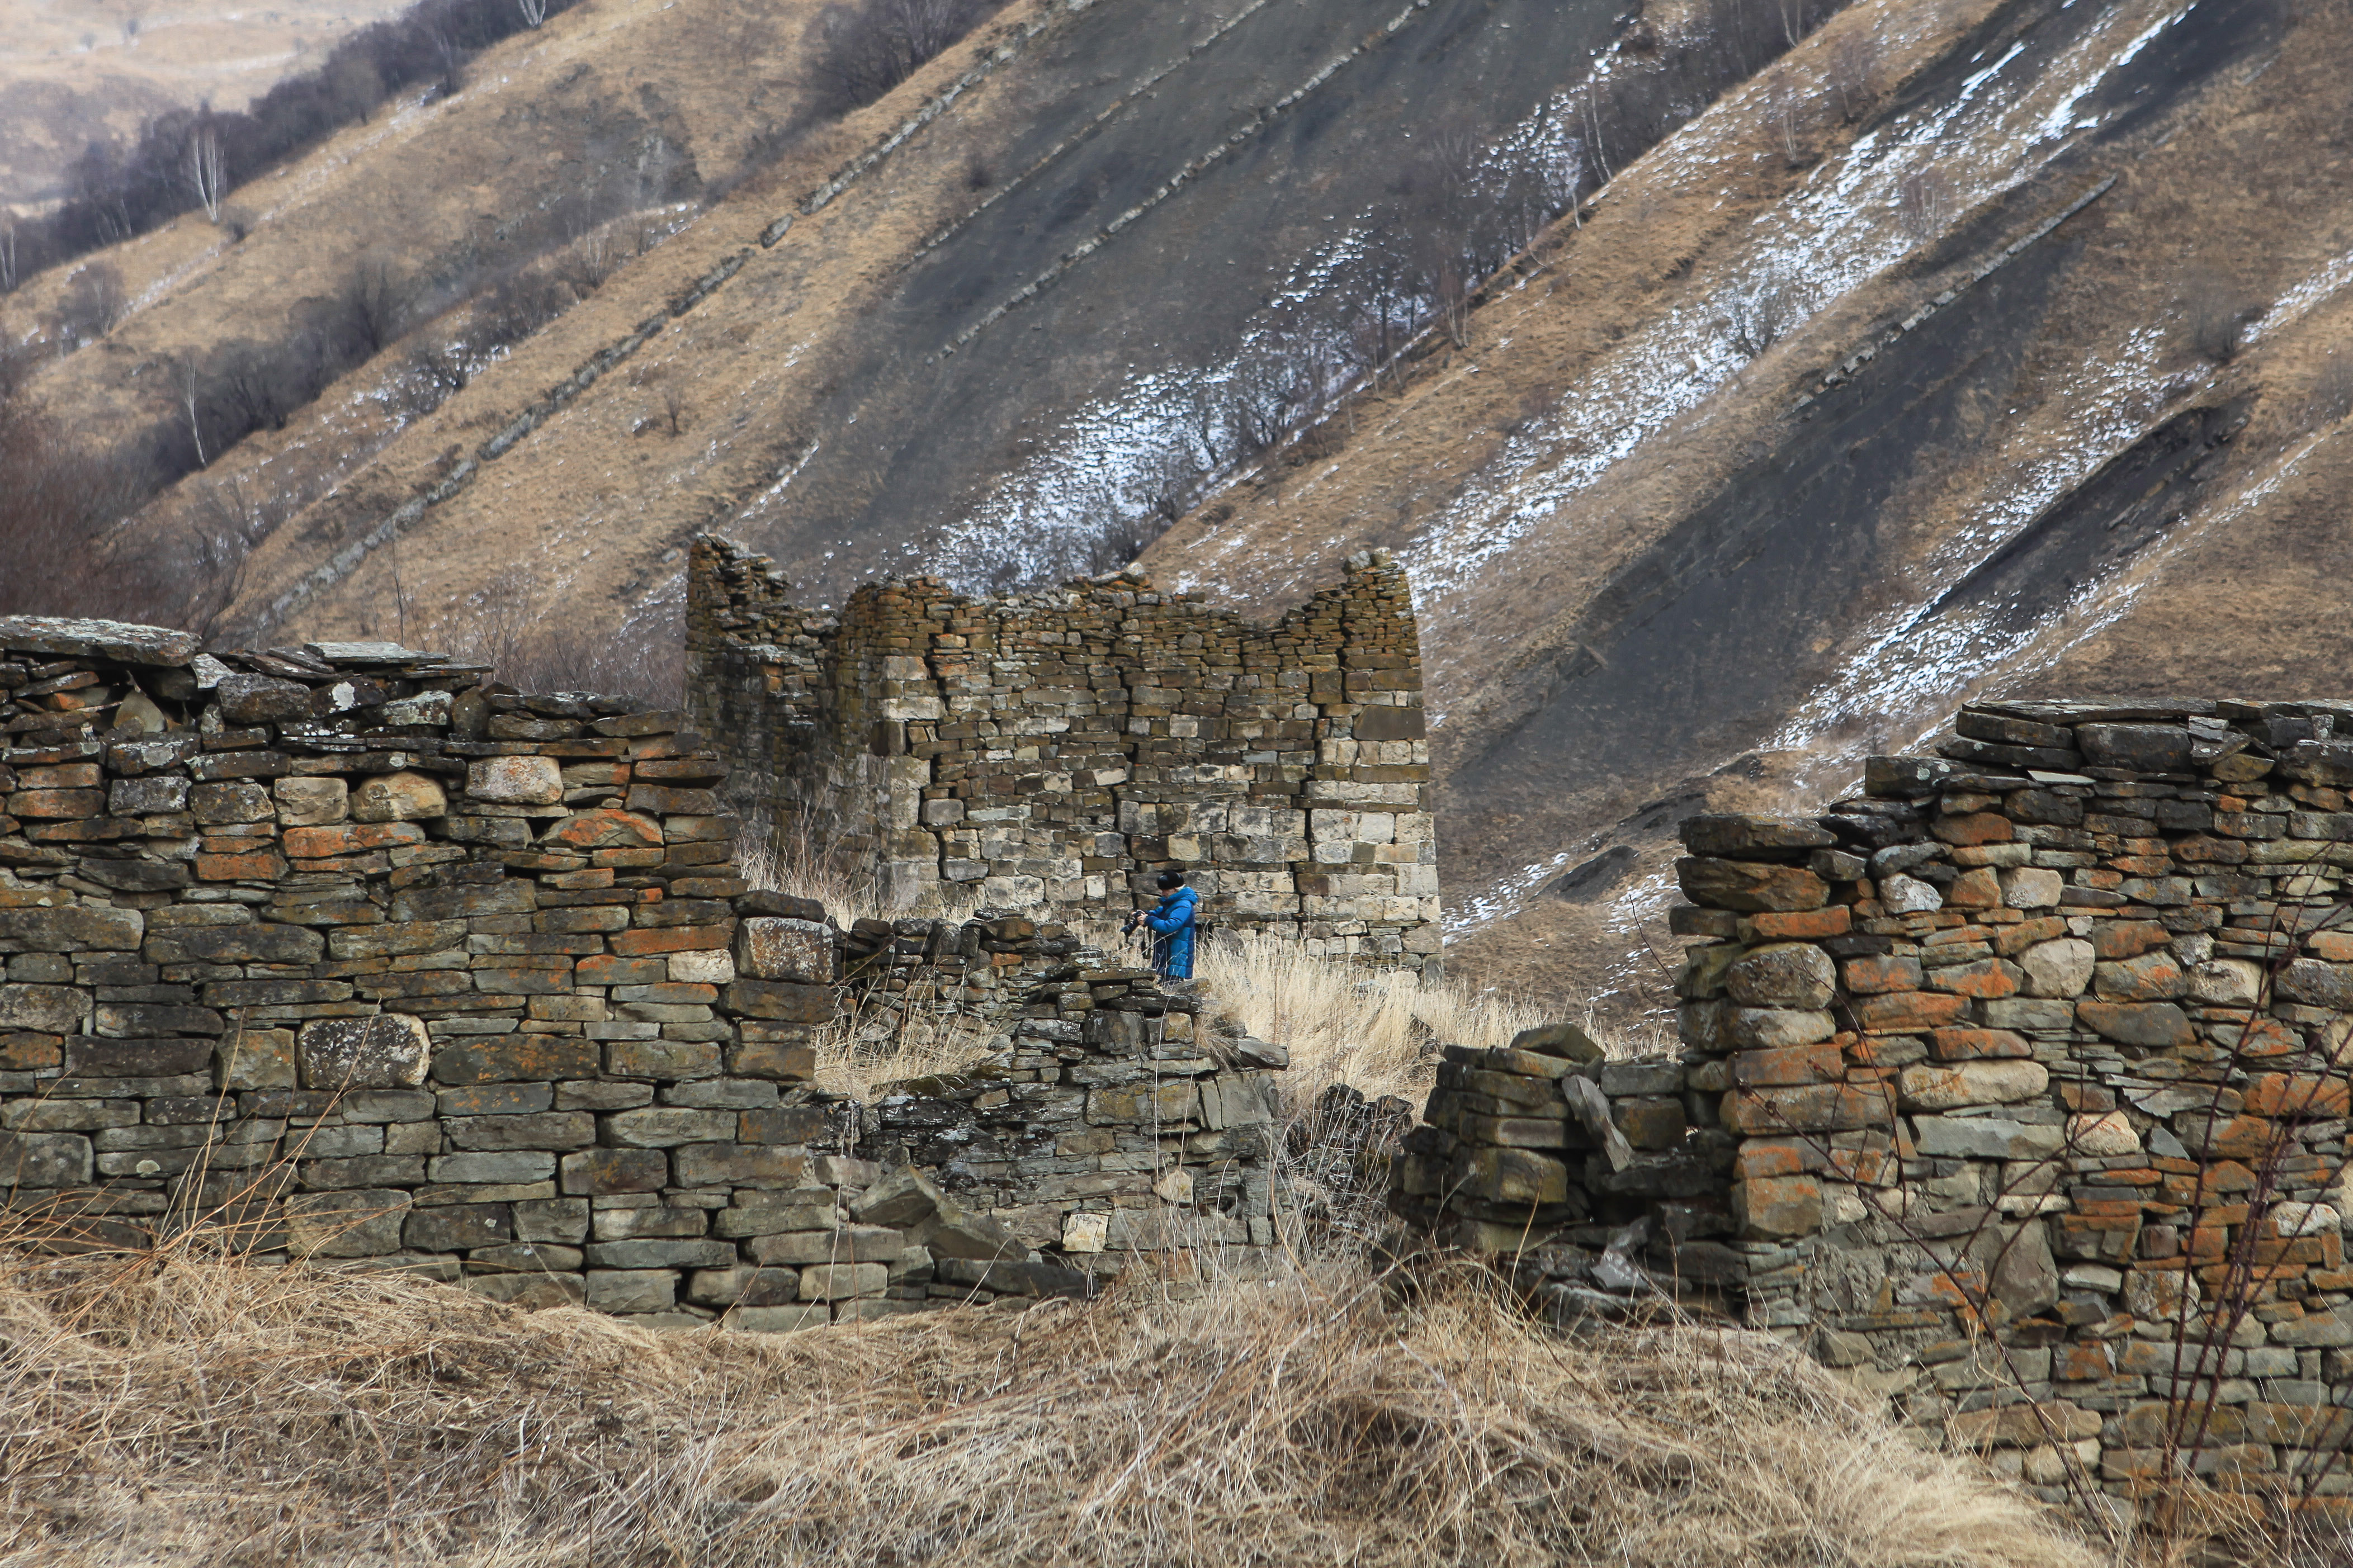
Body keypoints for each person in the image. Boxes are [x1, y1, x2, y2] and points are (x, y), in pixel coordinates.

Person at [1125, 870, 1199, 981]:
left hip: (1175, 960)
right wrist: (1145, 914)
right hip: (1169, 957)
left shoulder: (1184, 906)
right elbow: (1159, 913)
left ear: (1175, 889)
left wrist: (1148, 920)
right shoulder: (1174, 903)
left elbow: (1169, 927)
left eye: (1165, 890)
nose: (1162, 893)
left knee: (1172, 993)